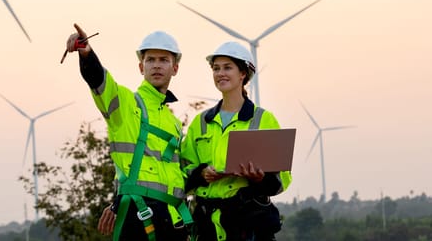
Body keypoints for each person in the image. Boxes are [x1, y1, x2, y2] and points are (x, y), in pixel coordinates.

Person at [64, 23, 192, 241]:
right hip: (139, 217)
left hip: (173, 220)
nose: (156, 65)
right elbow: (100, 82)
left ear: (175, 68)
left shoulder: (173, 122)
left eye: (164, 60)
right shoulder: (125, 102)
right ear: (141, 67)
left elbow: (179, 174)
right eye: (150, 59)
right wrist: (87, 54)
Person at [180, 41, 292, 241]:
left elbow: (282, 179)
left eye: (227, 67)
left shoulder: (263, 120)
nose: (220, 73)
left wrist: (259, 178)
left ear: (243, 74)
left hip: (248, 225)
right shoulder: (201, 122)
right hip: (207, 227)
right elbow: (183, 172)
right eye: (216, 68)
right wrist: (201, 173)